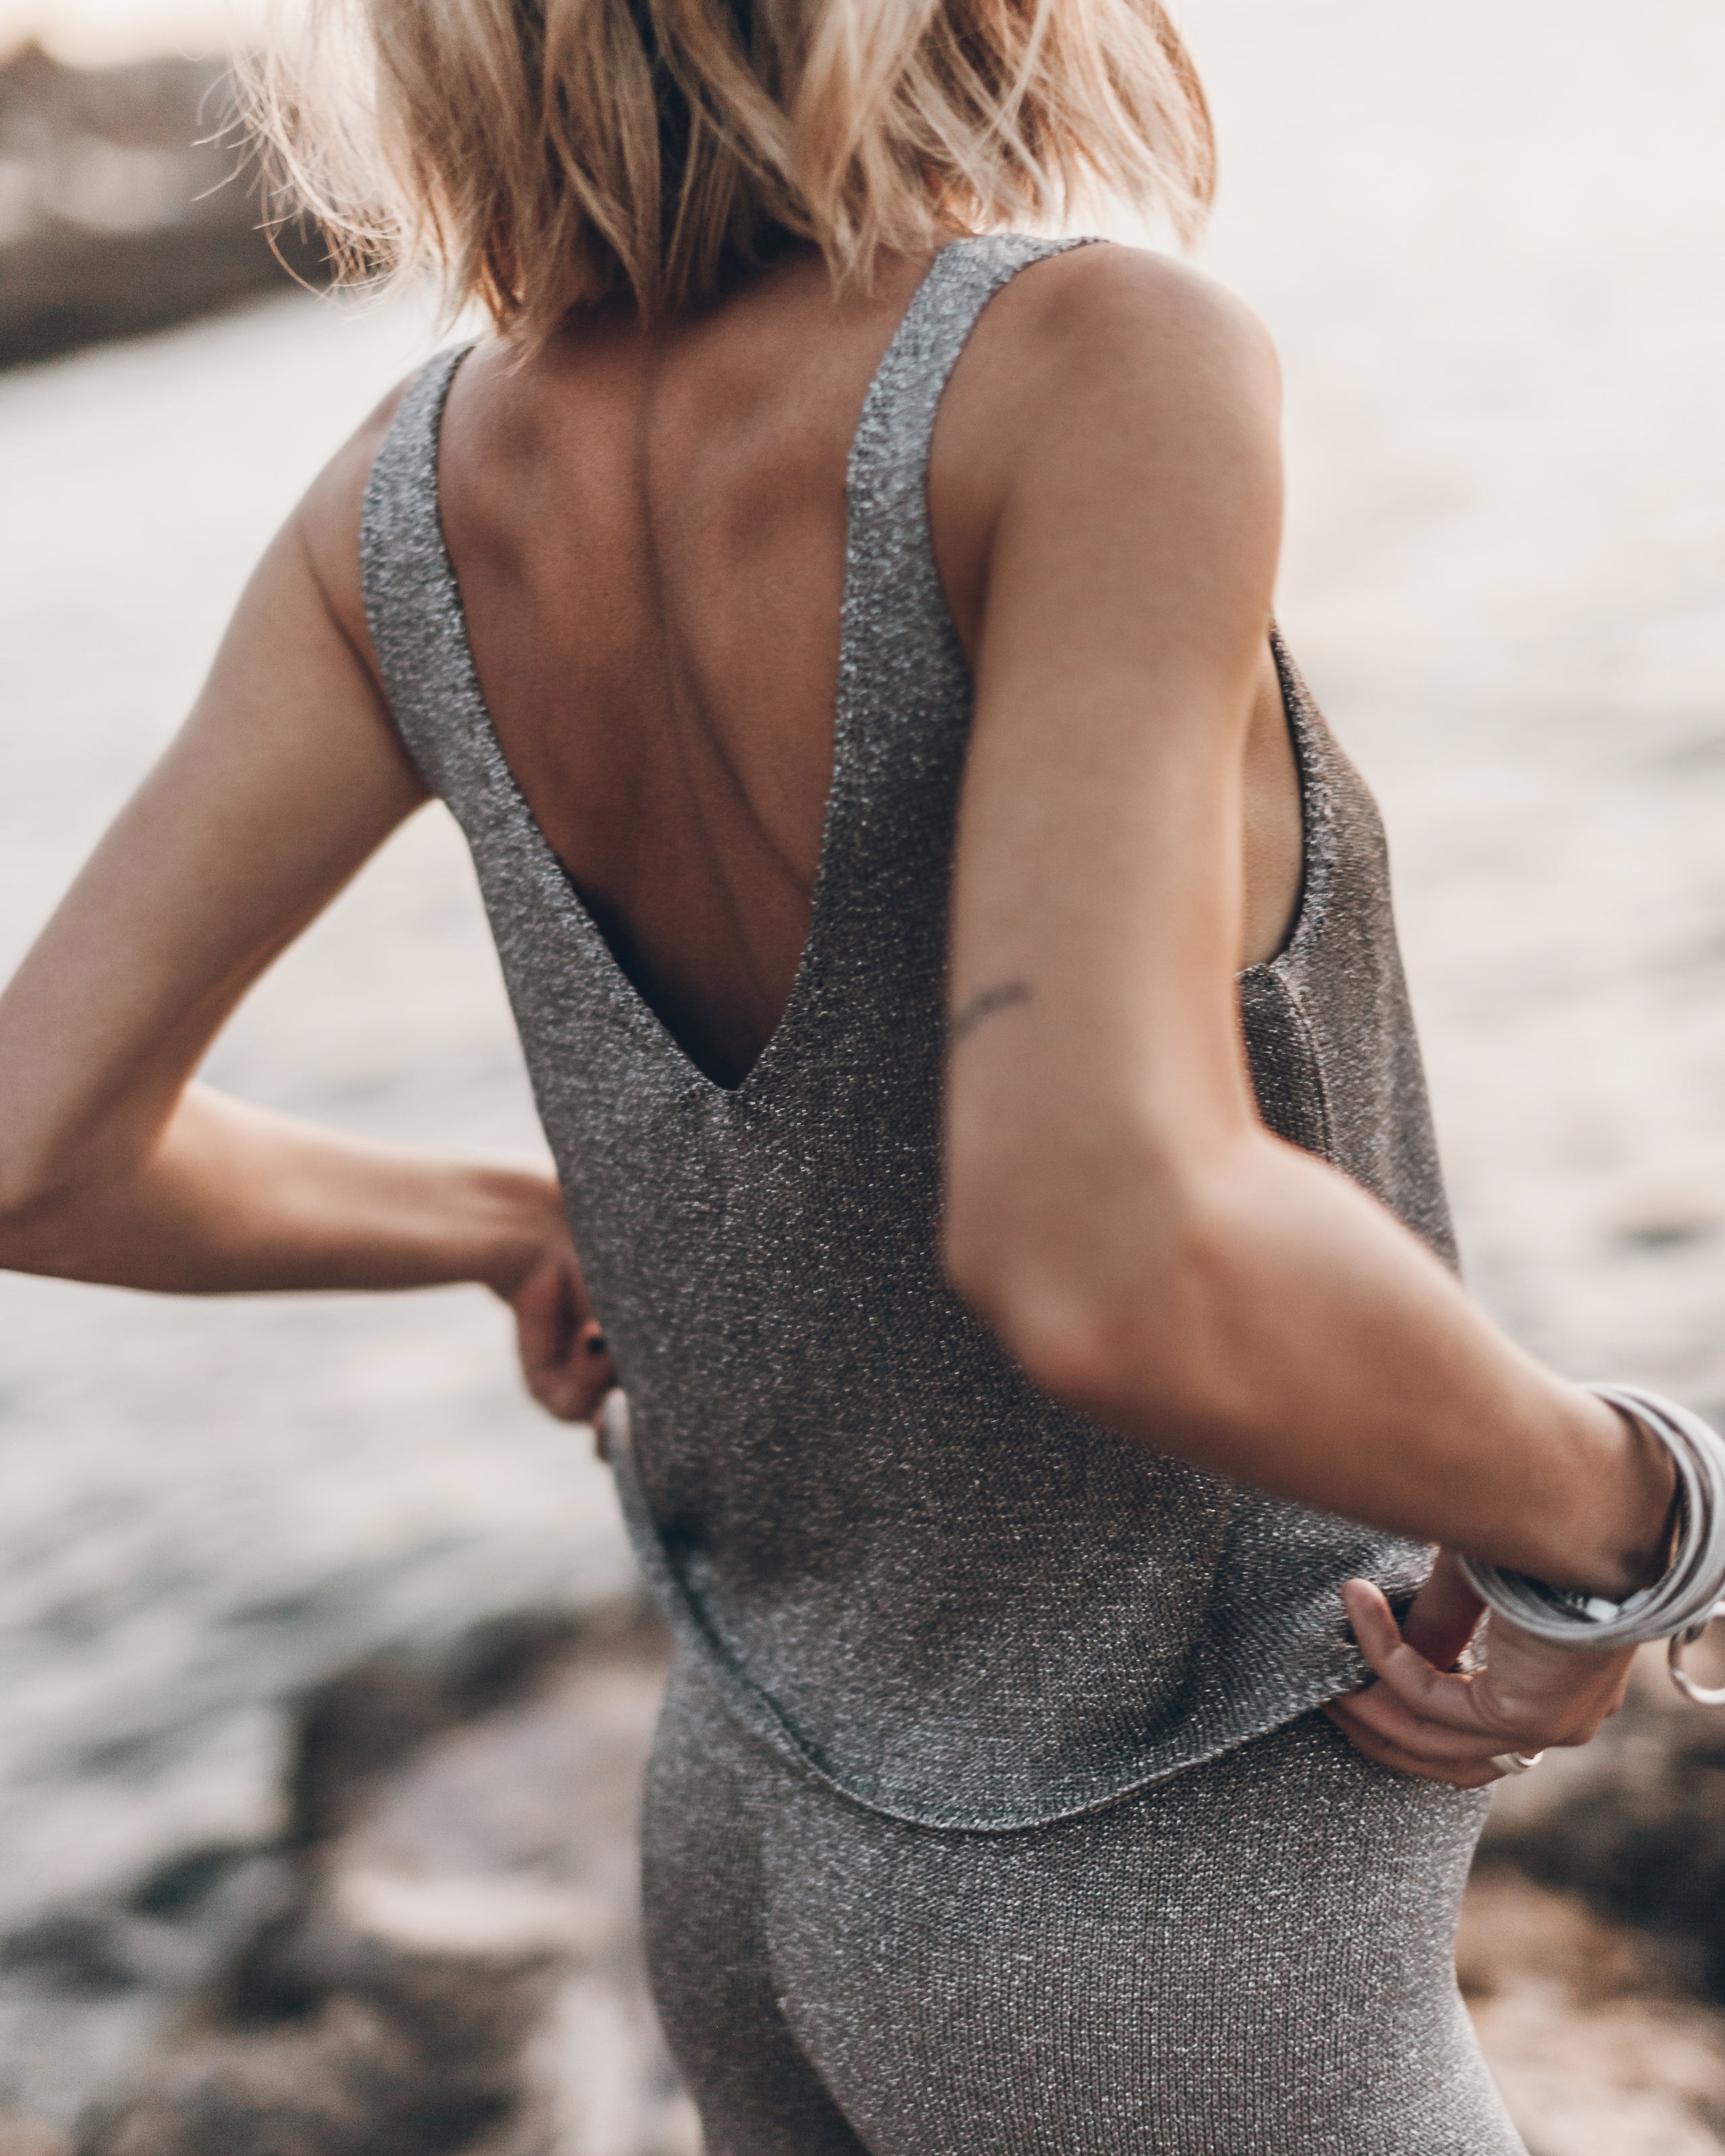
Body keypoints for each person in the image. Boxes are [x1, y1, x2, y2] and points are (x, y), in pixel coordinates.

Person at [0, 0, 1714, 2148]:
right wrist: (1631, 1516)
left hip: (750, 1839)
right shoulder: (1093, 368)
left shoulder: (399, 515)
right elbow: (1099, 1238)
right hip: (1158, 1912)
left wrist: (507, 1221)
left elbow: (33, 1146)